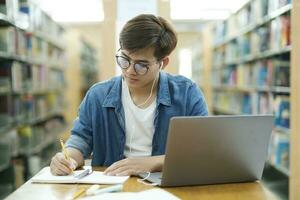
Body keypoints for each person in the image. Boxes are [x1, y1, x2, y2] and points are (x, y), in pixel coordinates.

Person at [50, 14, 208, 176]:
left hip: (167, 184)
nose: (129, 71)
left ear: (163, 63)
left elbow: (202, 149)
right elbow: (81, 139)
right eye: (124, 59)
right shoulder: (98, 95)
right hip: (111, 183)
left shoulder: (187, 93)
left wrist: (151, 163)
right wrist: (68, 158)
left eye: (141, 65)